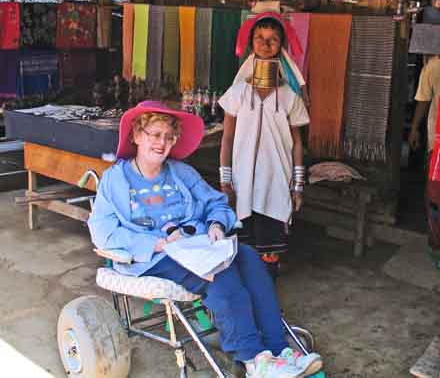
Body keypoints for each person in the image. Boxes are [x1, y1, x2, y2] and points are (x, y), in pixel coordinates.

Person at [88, 101, 323, 378]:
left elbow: (218, 205)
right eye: (154, 134)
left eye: (168, 137)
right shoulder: (115, 180)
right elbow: (102, 231)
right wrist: (156, 243)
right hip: (155, 256)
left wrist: (215, 224)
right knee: (221, 274)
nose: (162, 143)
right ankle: (253, 359)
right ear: (137, 136)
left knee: (248, 257)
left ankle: (279, 349)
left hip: (196, 246)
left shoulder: (180, 172)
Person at [218, 12, 309, 279]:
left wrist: (298, 185)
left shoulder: (290, 97)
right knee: (242, 250)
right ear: (250, 44)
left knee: (270, 255)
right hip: (241, 184)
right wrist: (225, 181)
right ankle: (247, 297)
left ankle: (267, 296)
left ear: (281, 46)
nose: (266, 44)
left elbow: (297, 144)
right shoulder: (236, 93)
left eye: (273, 39)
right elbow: (227, 139)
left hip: (276, 183)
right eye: (260, 38)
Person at [409, 55, 440, 257]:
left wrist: (414, 129)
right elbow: (423, 100)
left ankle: (436, 246)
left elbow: (422, 101)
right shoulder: (434, 66)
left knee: (435, 198)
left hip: (436, 145)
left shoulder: (434, 65)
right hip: (436, 145)